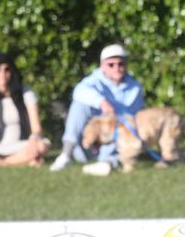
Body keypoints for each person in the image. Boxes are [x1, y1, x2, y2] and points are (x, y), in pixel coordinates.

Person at [49, 44, 145, 174]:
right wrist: (102, 102)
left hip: (115, 144)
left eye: (120, 64)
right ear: (102, 65)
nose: (117, 68)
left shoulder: (135, 88)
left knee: (125, 132)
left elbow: (134, 121)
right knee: (79, 105)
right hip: (85, 145)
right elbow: (79, 92)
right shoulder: (93, 81)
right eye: (111, 64)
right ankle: (66, 154)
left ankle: (108, 163)